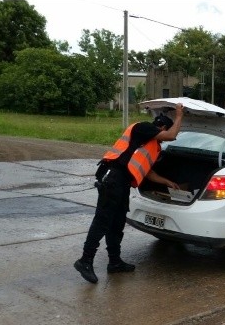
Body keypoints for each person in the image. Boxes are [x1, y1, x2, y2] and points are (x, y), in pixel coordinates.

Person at [74, 103, 185, 283]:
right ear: (162, 127)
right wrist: (179, 115)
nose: (165, 140)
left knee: (117, 223)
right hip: (112, 177)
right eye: (164, 135)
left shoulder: (152, 144)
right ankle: (85, 260)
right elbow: (171, 135)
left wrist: (167, 182)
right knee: (102, 221)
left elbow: (148, 172)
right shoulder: (143, 128)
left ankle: (115, 262)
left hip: (122, 182)